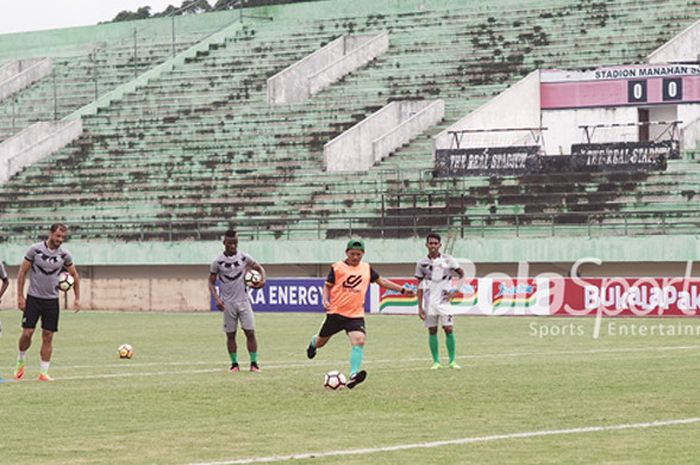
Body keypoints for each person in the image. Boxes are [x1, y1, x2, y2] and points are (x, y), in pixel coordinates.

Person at [306, 238, 416, 389]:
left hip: (355, 314)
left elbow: (382, 282)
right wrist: (325, 299)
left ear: (363, 254)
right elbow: (327, 286)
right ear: (346, 253)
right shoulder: (337, 267)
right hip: (336, 313)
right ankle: (313, 343)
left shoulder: (366, 268)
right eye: (352, 254)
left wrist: (402, 290)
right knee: (321, 342)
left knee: (359, 341)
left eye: (359, 254)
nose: (355, 257)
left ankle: (353, 375)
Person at [15, 223, 81, 381]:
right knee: (27, 332)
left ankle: (43, 372)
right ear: (50, 234)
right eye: (58, 236)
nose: (60, 240)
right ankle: (21, 359)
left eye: (63, 237)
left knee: (48, 335)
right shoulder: (35, 250)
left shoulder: (64, 255)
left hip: (51, 301)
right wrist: (20, 296)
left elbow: (75, 275)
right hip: (33, 298)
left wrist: (77, 298)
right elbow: (22, 272)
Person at [208, 229, 266, 373]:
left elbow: (259, 268)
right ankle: (234, 364)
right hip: (228, 304)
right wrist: (217, 299)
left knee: (250, 332)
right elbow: (211, 282)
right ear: (224, 243)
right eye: (229, 243)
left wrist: (263, 281)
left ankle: (254, 364)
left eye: (235, 243)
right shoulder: (217, 262)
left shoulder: (244, 258)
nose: (232, 246)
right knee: (230, 335)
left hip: (244, 301)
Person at [415, 232, 464, 370]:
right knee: (432, 330)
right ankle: (436, 361)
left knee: (448, 328)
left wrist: (455, 291)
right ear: (426, 245)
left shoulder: (448, 260)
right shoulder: (421, 263)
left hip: (444, 301)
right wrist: (419, 307)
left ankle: (452, 361)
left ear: (440, 245)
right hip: (429, 302)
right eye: (430, 243)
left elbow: (462, 274)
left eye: (435, 243)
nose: (433, 246)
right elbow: (419, 286)